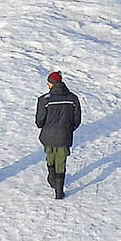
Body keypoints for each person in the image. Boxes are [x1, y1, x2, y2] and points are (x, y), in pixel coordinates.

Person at [35, 71, 81, 199]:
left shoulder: (44, 100)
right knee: (61, 161)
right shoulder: (73, 98)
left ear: (52, 84)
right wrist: (69, 129)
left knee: (50, 156)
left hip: (48, 136)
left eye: (48, 83)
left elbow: (39, 121)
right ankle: (59, 192)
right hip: (64, 135)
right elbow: (77, 120)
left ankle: (52, 178)